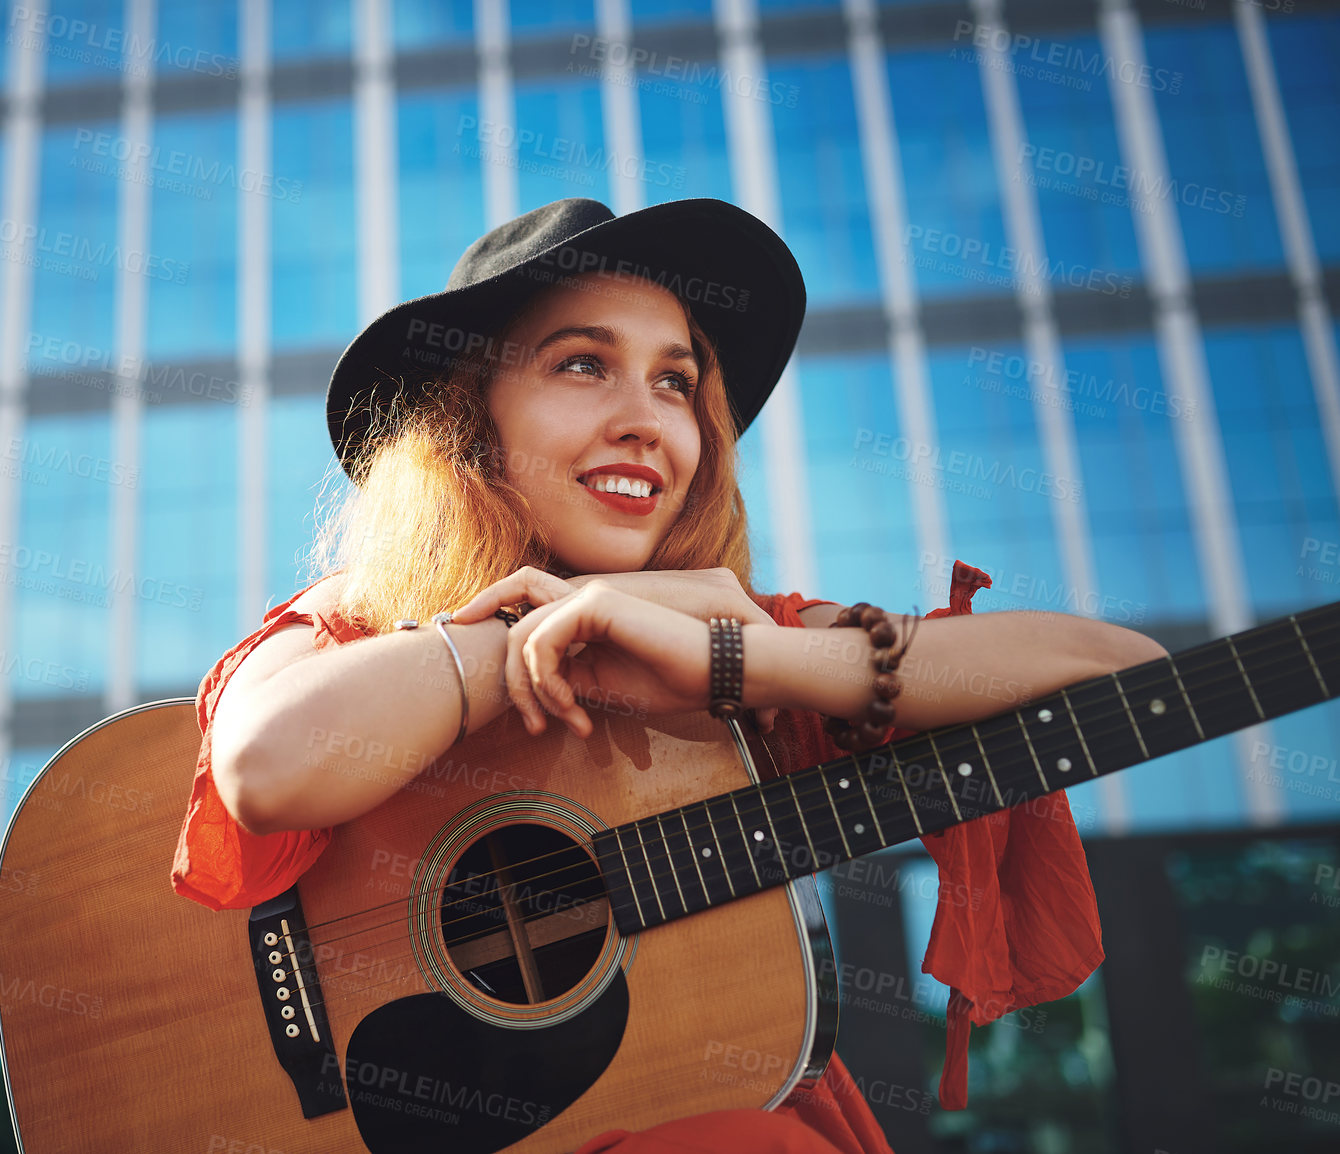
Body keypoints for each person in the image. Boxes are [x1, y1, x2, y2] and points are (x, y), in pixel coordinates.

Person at [171, 198, 1168, 1152]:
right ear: (468, 419)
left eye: (675, 381)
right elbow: (267, 769)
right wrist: (520, 637)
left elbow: (1128, 675)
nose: (646, 419)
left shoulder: (739, 639)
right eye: (581, 364)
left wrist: (744, 658)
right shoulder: (362, 621)